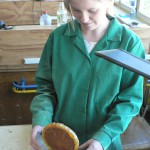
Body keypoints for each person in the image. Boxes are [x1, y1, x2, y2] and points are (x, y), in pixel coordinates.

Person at [30, 0, 145, 149]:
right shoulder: (57, 38)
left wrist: (104, 137)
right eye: (76, 10)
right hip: (59, 140)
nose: (83, 18)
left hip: (105, 142)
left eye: (92, 11)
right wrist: (41, 119)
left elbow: (130, 100)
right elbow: (46, 87)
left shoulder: (129, 43)